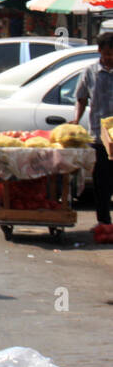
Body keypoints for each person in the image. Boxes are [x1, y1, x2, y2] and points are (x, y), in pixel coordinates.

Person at [73, 32, 113, 225]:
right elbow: (81, 98)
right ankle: (104, 223)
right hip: (99, 137)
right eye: (107, 54)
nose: (110, 58)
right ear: (100, 51)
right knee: (101, 183)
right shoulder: (90, 72)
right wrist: (76, 119)